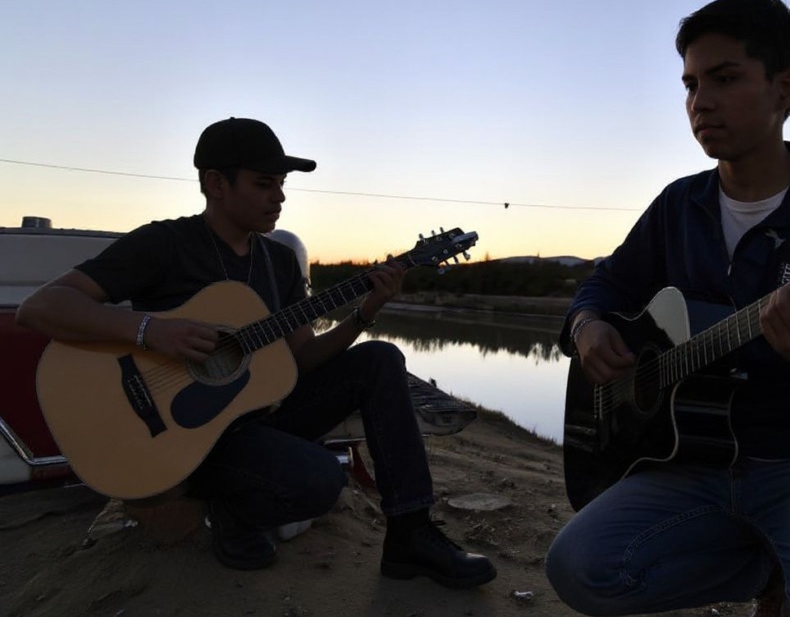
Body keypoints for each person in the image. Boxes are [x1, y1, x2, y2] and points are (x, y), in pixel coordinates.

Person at [545, 0, 790, 616]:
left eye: (724, 79)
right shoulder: (678, 205)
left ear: (786, 87)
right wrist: (587, 325)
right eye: (690, 84)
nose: (700, 102)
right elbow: (604, 285)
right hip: (690, 461)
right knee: (580, 567)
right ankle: (772, 568)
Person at [16, 116, 497, 588]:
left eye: (282, 185)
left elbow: (303, 358)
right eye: (264, 184)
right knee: (318, 481)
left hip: (255, 416)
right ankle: (230, 511)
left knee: (381, 359)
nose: (279, 197)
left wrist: (365, 312)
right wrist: (149, 330)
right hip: (187, 439)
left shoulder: (279, 261)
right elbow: (40, 307)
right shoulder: (165, 243)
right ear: (216, 184)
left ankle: (410, 533)